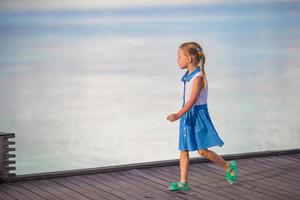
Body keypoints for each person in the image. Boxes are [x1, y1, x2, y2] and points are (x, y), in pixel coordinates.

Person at [166, 42, 237, 191]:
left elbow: (192, 101)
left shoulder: (198, 77)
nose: (177, 60)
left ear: (189, 59)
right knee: (183, 149)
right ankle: (183, 182)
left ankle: (228, 166)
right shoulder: (188, 75)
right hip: (187, 115)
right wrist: (182, 115)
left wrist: (178, 115)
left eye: (179, 56)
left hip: (197, 115)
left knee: (202, 151)